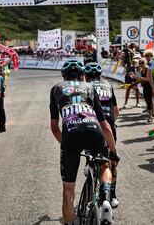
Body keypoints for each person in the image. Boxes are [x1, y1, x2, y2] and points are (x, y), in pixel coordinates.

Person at [49, 59, 119, 225]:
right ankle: (105, 198)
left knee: (68, 191)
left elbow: (54, 128)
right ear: (82, 76)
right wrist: (113, 152)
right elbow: (105, 126)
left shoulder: (56, 89)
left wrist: (65, 145)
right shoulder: (90, 87)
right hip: (95, 131)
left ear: (64, 76)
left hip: (71, 135)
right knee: (104, 166)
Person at [84, 62, 120, 208]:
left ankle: (89, 163)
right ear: (100, 75)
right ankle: (112, 195)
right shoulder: (108, 86)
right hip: (108, 126)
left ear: (86, 76)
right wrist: (113, 123)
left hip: (90, 125)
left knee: (90, 150)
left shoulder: (84, 87)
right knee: (111, 160)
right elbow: (116, 111)